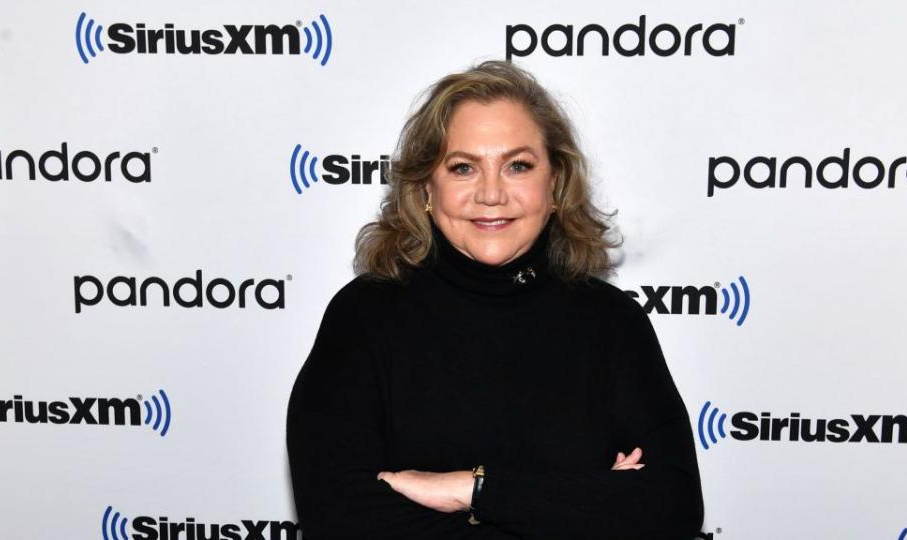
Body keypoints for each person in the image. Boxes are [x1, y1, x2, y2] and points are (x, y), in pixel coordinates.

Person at [286, 59, 704, 539]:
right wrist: (585, 503)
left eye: (517, 166)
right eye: (463, 167)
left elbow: (671, 510)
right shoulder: (363, 316)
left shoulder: (613, 323)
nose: (490, 194)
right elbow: (340, 518)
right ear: (426, 188)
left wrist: (474, 491)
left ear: (555, 185)